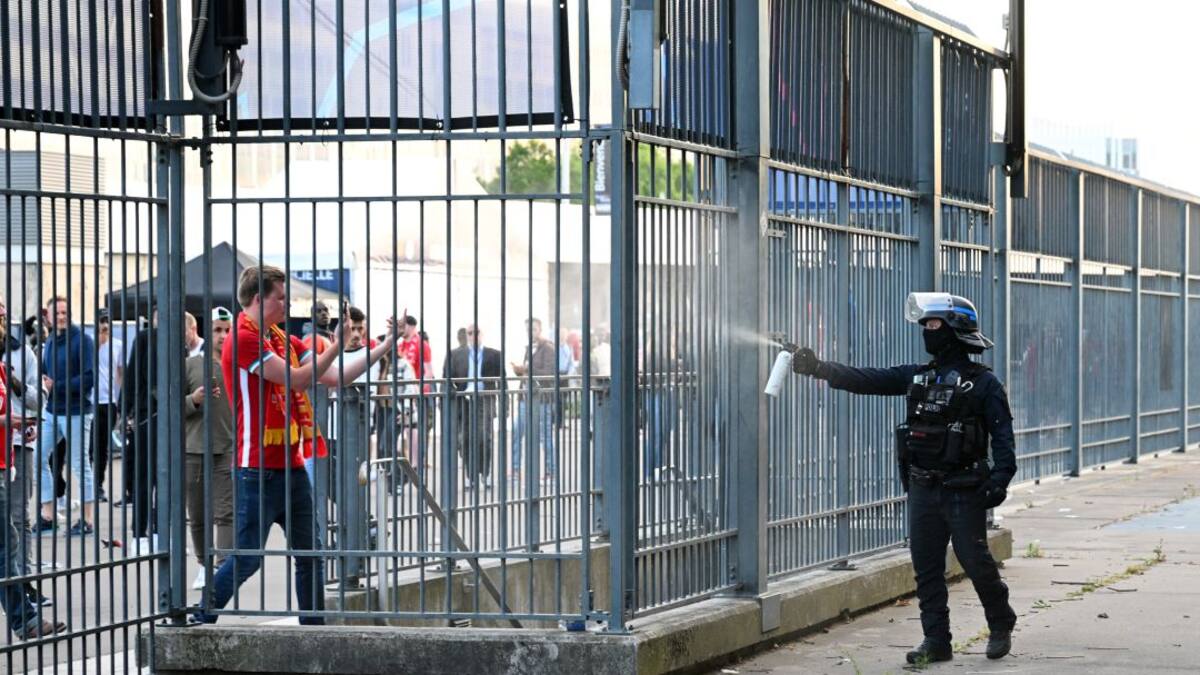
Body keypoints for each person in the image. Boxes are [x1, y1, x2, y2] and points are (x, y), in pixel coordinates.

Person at [790, 292, 1016, 664]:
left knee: (974, 559)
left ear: (954, 328)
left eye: (933, 324)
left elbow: (1003, 435)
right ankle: (936, 640)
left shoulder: (983, 383)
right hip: (924, 486)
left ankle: (1001, 621)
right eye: (924, 325)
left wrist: (1001, 478)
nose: (926, 331)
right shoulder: (919, 376)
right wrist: (819, 368)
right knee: (926, 566)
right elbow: (869, 379)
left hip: (963, 488)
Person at [194, 266, 396, 625]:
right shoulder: (244, 338)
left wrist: (384, 346)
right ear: (260, 299)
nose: (287, 303)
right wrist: (335, 345)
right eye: (281, 297)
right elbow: (301, 380)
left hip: (291, 465)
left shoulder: (281, 339)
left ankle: (313, 627)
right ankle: (202, 613)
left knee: (310, 554)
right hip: (255, 468)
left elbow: (335, 377)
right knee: (248, 557)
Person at [0, 363, 66, 639]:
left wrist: (16, 425)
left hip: (4, 464)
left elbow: (28, 401)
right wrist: (6, 422)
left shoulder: (2, 368)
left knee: (7, 542)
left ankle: (25, 619)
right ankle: (25, 620)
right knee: (5, 545)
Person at [0, 299, 50, 605]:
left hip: (18, 443)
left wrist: (16, 382)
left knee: (19, 516)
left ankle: (23, 582)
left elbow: (38, 398)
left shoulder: (22, 353)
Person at [182, 308, 235, 590]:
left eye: (227, 330)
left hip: (228, 447)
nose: (223, 336)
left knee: (226, 511)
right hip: (194, 449)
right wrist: (194, 399)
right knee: (198, 513)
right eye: (217, 330)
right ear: (207, 331)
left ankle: (222, 567)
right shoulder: (192, 366)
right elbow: (171, 406)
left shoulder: (239, 365)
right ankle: (204, 564)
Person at [36, 297, 96, 536]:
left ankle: (88, 520)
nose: (61, 316)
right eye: (57, 313)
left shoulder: (83, 341)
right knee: (38, 457)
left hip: (77, 411)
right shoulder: (50, 340)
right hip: (52, 410)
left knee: (79, 464)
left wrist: (56, 385)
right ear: (48, 317)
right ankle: (49, 515)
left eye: (64, 312)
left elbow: (89, 379)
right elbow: (45, 372)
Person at [444, 324, 504, 488]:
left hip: (484, 399)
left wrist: (504, 407)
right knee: (465, 439)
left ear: (482, 334)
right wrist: (446, 406)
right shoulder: (456, 355)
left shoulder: (494, 355)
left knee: (484, 438)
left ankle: (485, 473)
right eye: (470, 333)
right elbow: (446, 379)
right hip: (464, 399)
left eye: (476, 332)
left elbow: (502, 381)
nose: (473, 336)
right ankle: (471, 476)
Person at [120, 305, 158, 549]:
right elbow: (133, 374)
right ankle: (140, 531)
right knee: (145, 474)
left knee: (166, 478)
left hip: (172, 414)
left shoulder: (181, 342)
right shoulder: (145, 338)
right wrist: (126, 412)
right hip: (147, 413)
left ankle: (160, 529)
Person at [511, 318, 558, 482]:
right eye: (528, 330)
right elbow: (527, 372)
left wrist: (527, 369)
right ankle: (515, 470)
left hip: (542, 399)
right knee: (517, 431)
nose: (530, 333)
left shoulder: (548, 348)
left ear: (540, 329)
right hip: (525, 397)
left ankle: (551, 472)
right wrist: (520, 371)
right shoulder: (529, 348)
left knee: (545, 436)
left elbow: (549, 373)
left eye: (533, 329)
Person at [91, 309, 123, 503]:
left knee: (102, 446)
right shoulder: (91, 345)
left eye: (107, 322)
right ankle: (90, 484)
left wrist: (120, 399)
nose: (105, 325)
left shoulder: (117, 345)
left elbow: (120, 373)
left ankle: (98, 484)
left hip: (109, 402)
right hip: (90, 402)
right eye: (102, 321)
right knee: (91, 446)